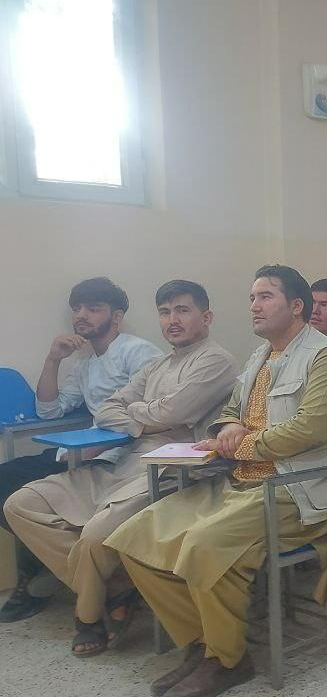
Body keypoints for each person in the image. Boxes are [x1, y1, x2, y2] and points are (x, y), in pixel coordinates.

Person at [105, 265, 327, 697]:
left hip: (299, 488)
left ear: (297, 306)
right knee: (134, 536)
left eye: (265, 297)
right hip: (242, 481)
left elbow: (313, 430)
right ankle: (204, 643)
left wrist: (242, 444)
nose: (254, 306)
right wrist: (228, 426)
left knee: (205, 545)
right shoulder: (259, 357)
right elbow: (230, 408)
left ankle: (229, 660)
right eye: (252, 297)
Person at [4, 281, 238, 657]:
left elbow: (173, 414)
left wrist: (139, 415)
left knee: (96, 536)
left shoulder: (216, 360)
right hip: (126, 459)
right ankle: (115, 586)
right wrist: (146, 417)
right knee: (21, 504)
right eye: (165, 312)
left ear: (205, 317)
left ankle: (87, 615)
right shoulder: (161, 363)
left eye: (182, 310)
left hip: (170, 468)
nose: (172, 320)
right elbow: (109, 409)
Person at [0, 277, 162, 623]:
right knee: (5, 483)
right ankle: (105, 578)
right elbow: (49, 411)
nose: (81, 315)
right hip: (77, 451)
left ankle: (44, 583)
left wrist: (98, 445)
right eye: (77, 308)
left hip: (115, 457)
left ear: (116, 317)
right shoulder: (85, 362)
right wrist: (53, 359)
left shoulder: (139, 352)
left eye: (93, 308)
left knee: (23, 493)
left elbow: (157, 413)